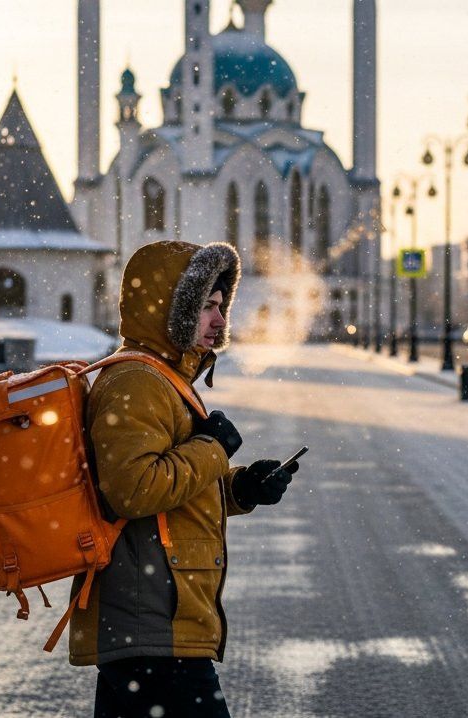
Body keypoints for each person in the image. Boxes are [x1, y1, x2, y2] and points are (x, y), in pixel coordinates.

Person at [70, 240, 298, 718]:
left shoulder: (164, 378)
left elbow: (171, 490)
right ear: (168, 311)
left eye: (221, 307)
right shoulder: (136, 380)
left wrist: (241, 487)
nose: (220, 321)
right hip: (152, 622)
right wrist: (212, 448)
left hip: (150, 621)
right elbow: (133, 490)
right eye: (206, 307)